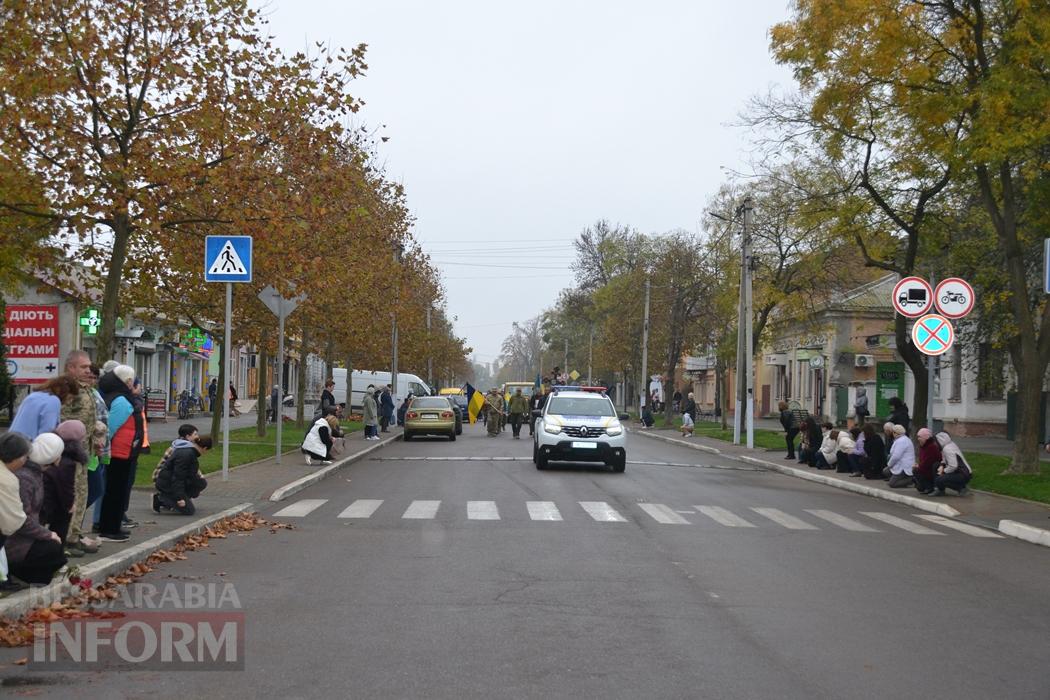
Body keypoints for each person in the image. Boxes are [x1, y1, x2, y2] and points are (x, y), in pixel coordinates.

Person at [5, 433, 68, 585]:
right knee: (54, 550)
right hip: (13, 540)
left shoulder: (34, 472)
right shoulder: (26, 477)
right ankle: (15, 570)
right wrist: (47, 534)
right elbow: (21, 518)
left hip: (21, 535)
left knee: (56, 549)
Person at [58, 350, 96, 554]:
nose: (88, 370)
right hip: (69, 451)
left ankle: (74, 534)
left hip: (83, 450)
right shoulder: (66, 388)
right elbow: (62, 418)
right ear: (71, 367)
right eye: (83, 367)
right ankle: (64, 538)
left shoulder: (84, 388)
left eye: (89, 366)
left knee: (81, 493)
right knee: (70, 495)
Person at [98, 365, 138, 542]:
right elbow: (111, 427)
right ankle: (109, 529)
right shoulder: (122, 400)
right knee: (116, 491)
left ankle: (112, 526)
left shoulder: (117, 396)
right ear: (128, 381)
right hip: (119, 452)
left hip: (122, 451)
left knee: (116, 491)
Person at [41, 421, 92, 552]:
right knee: (64, 515)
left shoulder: (51, 452)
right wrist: (70, 505)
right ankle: (56, 550)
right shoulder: (68, 462)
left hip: (40, 498)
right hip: (44, 503)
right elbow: (66, 489)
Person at [154, 435, 210, 515]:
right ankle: (162, 499)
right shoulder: (186, 455)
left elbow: (191, 475)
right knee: (189, 511)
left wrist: (197, 484)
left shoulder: (190, 453)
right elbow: (178, 477)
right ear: (204, 448)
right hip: (167, 484)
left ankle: (181, 497)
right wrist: (179, 498)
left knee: (201, 483)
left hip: (174, 481)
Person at [10, 375, 79, 439]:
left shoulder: (33, 395)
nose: (69, 402)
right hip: (28, 444)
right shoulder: (53, 401)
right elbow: (47, 432)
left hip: (11, 440)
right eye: (70, 398)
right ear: (65, 392)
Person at [931, 432, 972, 496]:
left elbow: (953, 466)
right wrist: (941, 465)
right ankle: (940, 489)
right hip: (960, 472)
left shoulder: (947, 449)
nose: (935, 444)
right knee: (936, 466)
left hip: (963, 473)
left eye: (935, 442)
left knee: (939, 479)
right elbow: (944, 460)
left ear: (940, 441)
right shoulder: (947, 446)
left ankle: (961, 488)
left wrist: (943, 472)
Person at [914, 427, 943, 495]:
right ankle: (924, 486)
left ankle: (929, 487)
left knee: (916, 470)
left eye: (920, 437)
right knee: (916, 470)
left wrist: (918, 466)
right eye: (918, 437)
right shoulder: (923, 446)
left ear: (925, 438)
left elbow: (928, 462)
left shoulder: (931, 447)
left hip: (932, 470)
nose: (918, 439)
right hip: (927, 469)